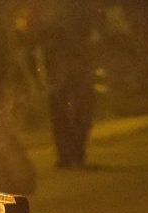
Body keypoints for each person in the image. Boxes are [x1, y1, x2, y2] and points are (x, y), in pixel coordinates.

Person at [33, 0, 96, 168]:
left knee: (74, 105)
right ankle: (69, 154)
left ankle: (73, 153)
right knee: (64, 105)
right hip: (61, 55)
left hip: (72, 55)